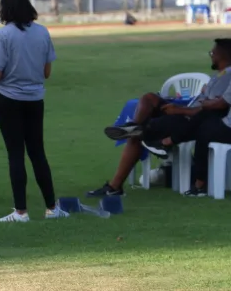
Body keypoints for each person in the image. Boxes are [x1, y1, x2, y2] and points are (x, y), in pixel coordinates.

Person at [89, 39, 231, 197]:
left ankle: (116, 184)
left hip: (189, 120)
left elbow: (208, 110)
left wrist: (177, 110)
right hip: (187, 113)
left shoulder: (227, 75)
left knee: (140, 134)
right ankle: (135, 127)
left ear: (223, 56)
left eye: (213, 53)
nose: (210, 56)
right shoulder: (218, 75)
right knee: (149, 99)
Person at [0, 0, 68, 223]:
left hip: (8, 99)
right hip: (34, 99)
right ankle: (52, 207)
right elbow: (46, 71)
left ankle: (21, 211)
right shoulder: (42, 32)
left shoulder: (3, 36)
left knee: (15, 154)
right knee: (37, 152)